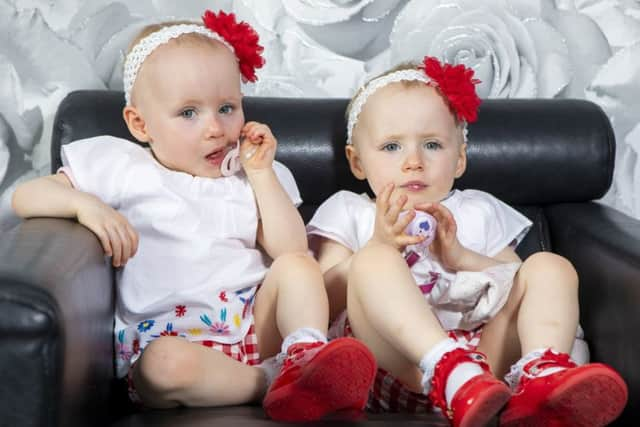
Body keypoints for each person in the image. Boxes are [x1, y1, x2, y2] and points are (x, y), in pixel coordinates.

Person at [11, 10, 376, 422]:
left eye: (227, 107)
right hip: (174, 345)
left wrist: (260, 175)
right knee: (162, 367)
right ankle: (274, 382)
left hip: (254, 329)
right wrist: (84, 205)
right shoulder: (121, 166)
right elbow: (26, 196)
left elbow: (291, 248)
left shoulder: (252, 174)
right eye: (189, 113)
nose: (215, 128)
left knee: (297, 267)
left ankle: (304, 355)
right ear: (140, 124)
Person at [307, 56, 628, 426]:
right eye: (392, 147)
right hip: (395, 369)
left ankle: (541, 377)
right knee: (372, 262)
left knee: (549, 267)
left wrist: (462, 257)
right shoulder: (351, 211)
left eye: (431, 145)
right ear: (357, 162)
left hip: (482, 376)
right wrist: (380, 244)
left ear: (459, 158)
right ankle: (445, 366)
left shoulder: (477, 210)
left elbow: (516, 282)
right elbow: (321, 299)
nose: (414, 161)